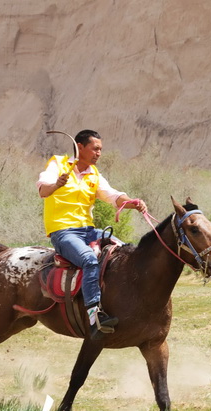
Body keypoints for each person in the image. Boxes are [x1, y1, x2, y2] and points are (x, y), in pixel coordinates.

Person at [38, 130, 147, 338]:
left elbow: (113, 195)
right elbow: (43, 190)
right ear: (80, 147)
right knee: (89, 260)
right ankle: (94, 315)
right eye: (95, 148)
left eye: (100, 149)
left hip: (88, 231)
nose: (99, 153)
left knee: (126, 252)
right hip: (63, 232)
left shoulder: (94, 174)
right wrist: (55, 185)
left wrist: (131, 202)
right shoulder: (58, 164)